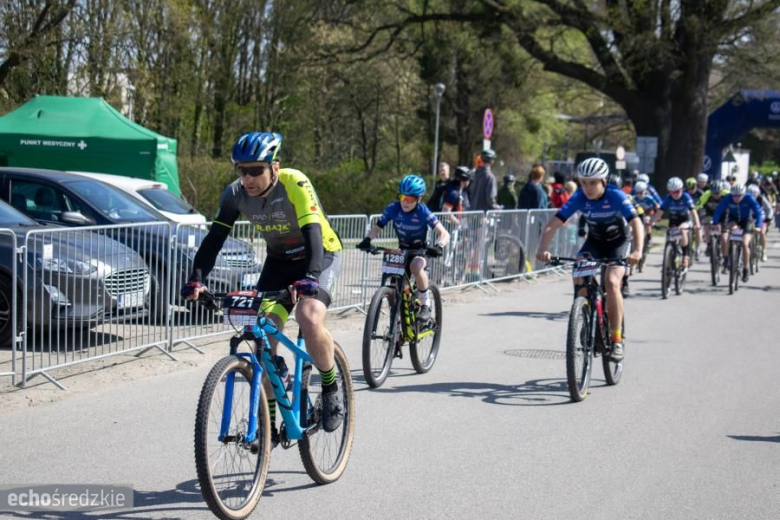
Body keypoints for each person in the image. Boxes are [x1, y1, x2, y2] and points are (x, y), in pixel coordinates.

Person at [180, 131, 345, 440]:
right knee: (263, 339)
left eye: (256, 169)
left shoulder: (294, 183)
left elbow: (311, 230)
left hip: (320, 255)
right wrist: (197, 278)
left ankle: (330, 386)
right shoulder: (234, 194)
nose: (248, 178)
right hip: (279, 262)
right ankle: (268, 426)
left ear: (275, 167)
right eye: (242, 170)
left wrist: (310, 275)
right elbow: (215, 239)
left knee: (308, 317)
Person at [537, 158, 642, 361]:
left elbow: (636, 222)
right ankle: (585, 313)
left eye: (593, 182)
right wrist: (543, 249)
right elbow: (553, 223)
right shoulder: (578, 197)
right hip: (594, 243)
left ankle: (617, 339)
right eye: (584, 182)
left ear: (603, 181)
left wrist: (637, 251)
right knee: (579, 274)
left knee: (612, 283)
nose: (587, 188)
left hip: (618, 244)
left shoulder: (616, 195)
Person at [357, 175, 450, 322]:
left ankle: (425, 303)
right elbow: (377, 227)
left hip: (421, 250)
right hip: (403, 250)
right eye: (402, 197)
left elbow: (444, 233)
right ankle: (398, 323)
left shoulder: (422, 211)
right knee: (394, 286)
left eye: (410, 199)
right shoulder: (393, 209)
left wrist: (439, 246)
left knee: (416, 266)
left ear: (419, 199)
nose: (405, 202)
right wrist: (367, 240)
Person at [712, 183, 763, 282]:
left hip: (746, 221)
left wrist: (759, 226)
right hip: (733, 220)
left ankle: (746, 269)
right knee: (725, 236)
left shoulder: (749, 198)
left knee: (744, 244)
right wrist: (715, 222)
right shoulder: (727, 198)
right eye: (734, 195)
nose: (736, 198)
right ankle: (726, 258)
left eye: (738, 196)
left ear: (743, 194)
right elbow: (718, 210)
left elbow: (758, 212)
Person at [649, 177, 702, 268]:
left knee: (682, 230)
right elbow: (660, 212)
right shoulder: (668, 198)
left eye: (677, 192)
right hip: (673, 220)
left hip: (685, 219)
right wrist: (651, 222)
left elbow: (693, 211)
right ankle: (669, 259)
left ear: (681, 189)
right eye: (672, 192)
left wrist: (697, 224)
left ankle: (685, 255)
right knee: (670, 236)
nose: (675, 194)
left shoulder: (685, 197)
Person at [694, 180, 729, 255]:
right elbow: (696, 206)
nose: (716, 195)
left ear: (722, 191)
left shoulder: (727, 194)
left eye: (718, 193)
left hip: (724, 214)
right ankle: (709, 244)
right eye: (714, 193)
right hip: (710, 213)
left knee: (724, 236)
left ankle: (726, 255)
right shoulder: (706, 194)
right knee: (706, 225)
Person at [747, 184, 772, 262]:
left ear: (758, 194)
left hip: (762, 218)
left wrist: (768, 218)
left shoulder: (761, 199)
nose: (753, 197)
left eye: (754, 195)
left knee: (762, 233)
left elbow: (769, 209)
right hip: (750, 218)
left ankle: (763, 251)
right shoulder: (745, 199)